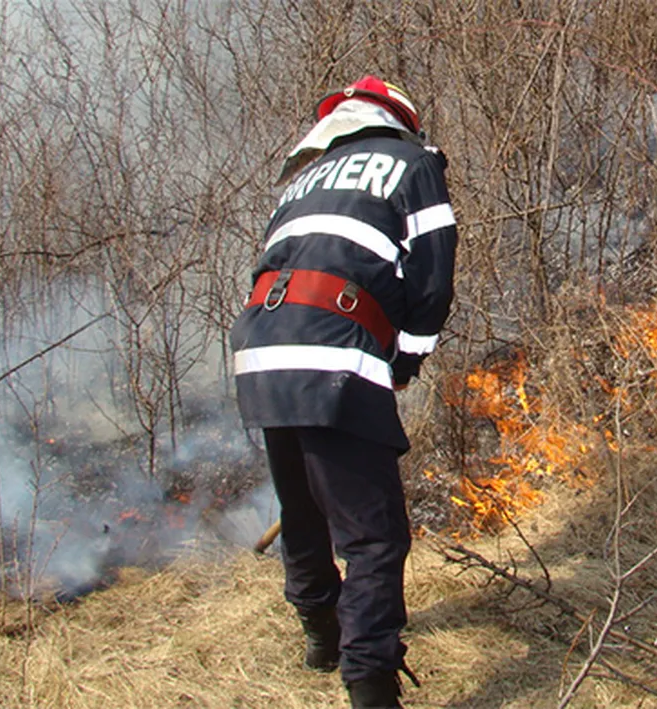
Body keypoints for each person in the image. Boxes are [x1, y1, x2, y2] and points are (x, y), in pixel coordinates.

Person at [230, 75, 458, 708]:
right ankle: (371, 684)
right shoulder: (413, 162)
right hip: (332, 348)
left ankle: (319, 634)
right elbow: (433, 277)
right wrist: (405, 361)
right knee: (374, 536)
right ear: (400, 121)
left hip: (261, 350)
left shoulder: (301, 182)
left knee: (303, 507)